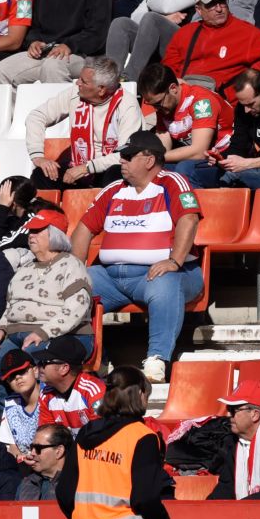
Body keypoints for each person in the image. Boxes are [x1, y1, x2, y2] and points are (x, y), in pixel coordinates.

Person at [74, 131, 202, 382]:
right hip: (110, 277)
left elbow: (189, 219)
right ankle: (94, 358)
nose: (122, 161)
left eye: (128, 156)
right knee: (74, 287)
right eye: (122, 156)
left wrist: (174, 260)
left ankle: (157, 359)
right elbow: (83, 228)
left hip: (159, 273)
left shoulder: (173, 182)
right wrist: (76, 270)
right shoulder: (113, 190)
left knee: (166, 281)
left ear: (149, 160)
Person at [60, 366, 169, 519]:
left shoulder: (86, 432)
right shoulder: (142, 436)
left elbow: (64, 491)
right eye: (147, 395)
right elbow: (146, 497)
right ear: (139, 394)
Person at [0, 215, 91, 374]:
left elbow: (76, 309)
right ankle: (8, 400)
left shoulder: (71, 265)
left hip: (61, 336)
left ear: (55, 235)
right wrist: (1, 329)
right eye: (30, 231)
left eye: (37, 231)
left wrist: (43, 332)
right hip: (15, 337)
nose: (30, 235)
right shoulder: (25, 269)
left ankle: (40, 399)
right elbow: (11, 306)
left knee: (25, 362)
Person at [25, 56, 140, 191]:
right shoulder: (75, 93)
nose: (77, 83)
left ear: (101, 89)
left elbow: (126, 153)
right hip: (78, 166)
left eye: (83, 81)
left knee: (117, 174)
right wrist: (38, 157)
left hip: (106, 168)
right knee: (41, 175)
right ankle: (52, 212)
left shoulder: (127, 105)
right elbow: (36, 117)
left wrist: (87, 168)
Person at [159, 0, 260, 94]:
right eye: (211, 4)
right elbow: (169, 67)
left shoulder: (246, 32)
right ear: (199, 10)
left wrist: (250, 79)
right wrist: (174, 83)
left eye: (222, 2)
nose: (219, 9)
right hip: (185, 95)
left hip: (221, 98)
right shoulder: (185, 32)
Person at [138, 63, 236, 190]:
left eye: (158, 103)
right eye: (153, 105)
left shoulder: (201, 101)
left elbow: (199, 151)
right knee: (149, 171)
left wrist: (155, 157)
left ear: (173, 88)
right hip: (198, 161)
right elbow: (163, 148)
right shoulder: (165, 107)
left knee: (184, 169)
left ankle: (194, 209)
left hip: (224, 160)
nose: (157, 109)